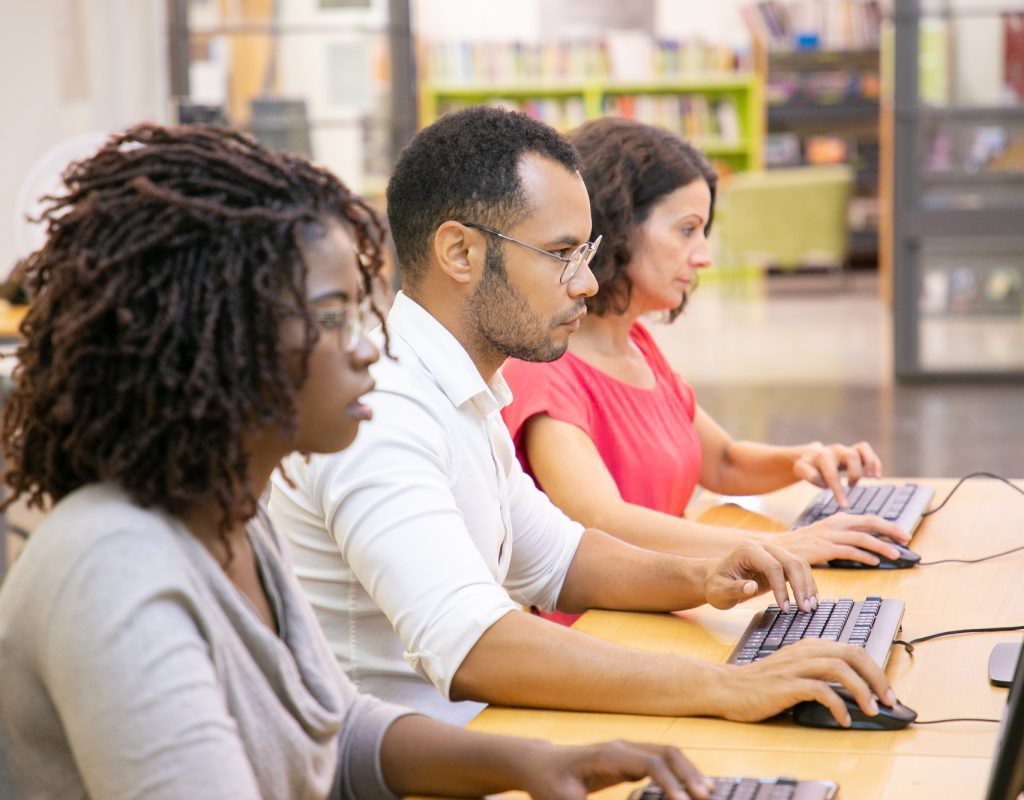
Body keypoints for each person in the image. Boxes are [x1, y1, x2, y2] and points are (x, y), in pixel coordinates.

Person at [0, 123, 716, 800]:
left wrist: (539, 764)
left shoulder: (231, 524)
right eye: (334, 315)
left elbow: (336, 736)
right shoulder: (115, 571)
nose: (367, 347)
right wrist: (719, 686)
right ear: (220, 338)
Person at [268, 106, 900, 729]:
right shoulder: (382, 413)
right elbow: (472, 647)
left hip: (485, 743)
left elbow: (559, 559)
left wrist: (705, 576)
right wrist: (727, 686)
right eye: (561, 253)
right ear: (459, 253)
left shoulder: (462, 389)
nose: (588, 284)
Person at [500, 118, 909, 624]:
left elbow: (724, 463)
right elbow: (602, 521)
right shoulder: (545, 368)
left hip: (672, 606)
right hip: (606, 630)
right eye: (687, 229)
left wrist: (805, 458)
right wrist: (785, 543)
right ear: (619, 227)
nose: (704, 257)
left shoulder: (637, 346)